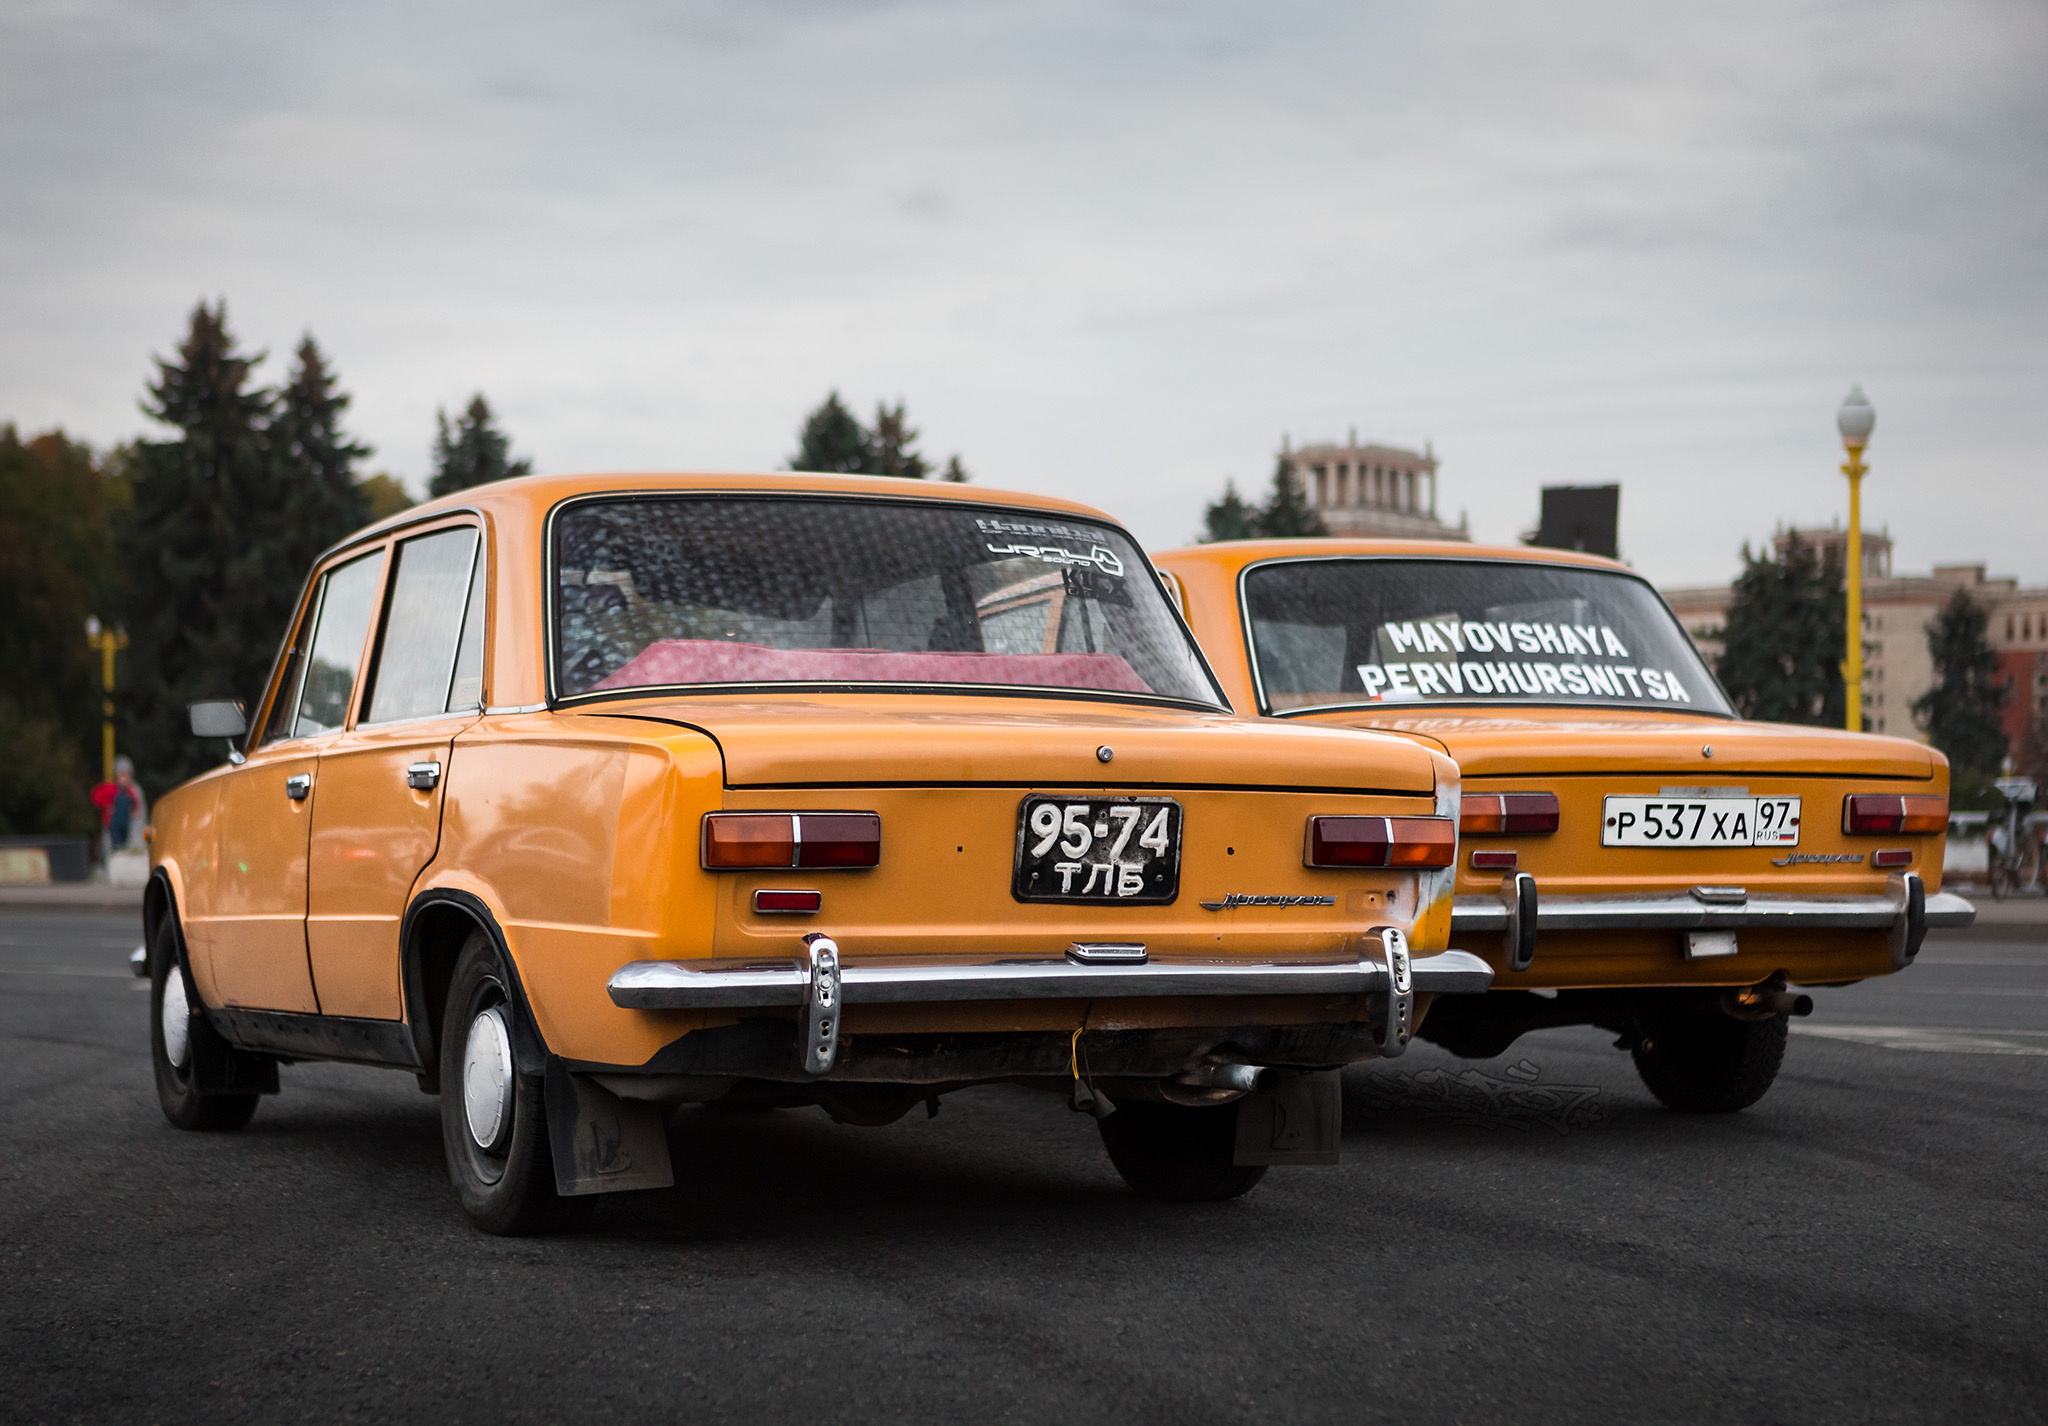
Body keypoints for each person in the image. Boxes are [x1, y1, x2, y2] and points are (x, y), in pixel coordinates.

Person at [89, 758, 146, 863]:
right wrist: (107, 806)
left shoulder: (132, 791)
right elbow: (95, 796)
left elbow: (136, 807)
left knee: (124, 847)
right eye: (122, 776)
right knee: (112, 847)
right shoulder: (110, 789)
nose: (124, 779)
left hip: (126, 825)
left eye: (127, 776)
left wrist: (134, 812)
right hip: (112, 825)